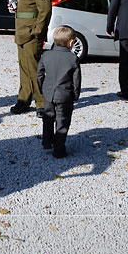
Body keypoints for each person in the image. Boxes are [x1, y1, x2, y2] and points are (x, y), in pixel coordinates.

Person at [9, 0, 52, 116]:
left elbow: (45, 10)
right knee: (24, 69)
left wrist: (38, 31)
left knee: (34, 69)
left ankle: (42, 104)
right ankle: (23, 100)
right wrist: (16, 9)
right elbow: (29, 7)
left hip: (30, 34)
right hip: (22, 33)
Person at [37, 25, 81, 158]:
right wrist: (75, 94)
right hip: (64, 95)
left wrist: (42, 88)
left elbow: (39, 74)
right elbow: (76, 80)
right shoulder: (73, 58)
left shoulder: (46, 55)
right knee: (62, 121)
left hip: (48, 93)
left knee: (48, 117)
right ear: (71, 42)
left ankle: (47, 141)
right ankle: (59, 148)